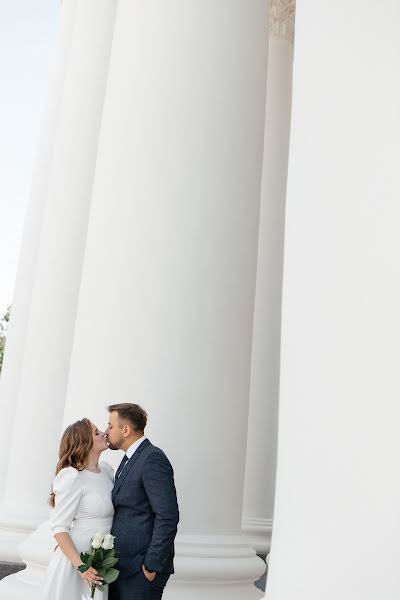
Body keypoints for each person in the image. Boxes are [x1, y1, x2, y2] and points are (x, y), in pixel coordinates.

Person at [106, 403, 179, 600]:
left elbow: (167, 515)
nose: (106, 432)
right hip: (122, 568)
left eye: (110, 426)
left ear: (126, 430)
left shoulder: (152, 458)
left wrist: (151, 564)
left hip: (141, 570)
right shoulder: (128, 459)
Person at [41, 418, 114, 600]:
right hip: (78, 559)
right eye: (96, 433)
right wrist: (81, 566)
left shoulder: (106, 472)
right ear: (85, 442)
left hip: (103, 557)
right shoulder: (72, 477)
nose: (104, 433)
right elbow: (59, 528)